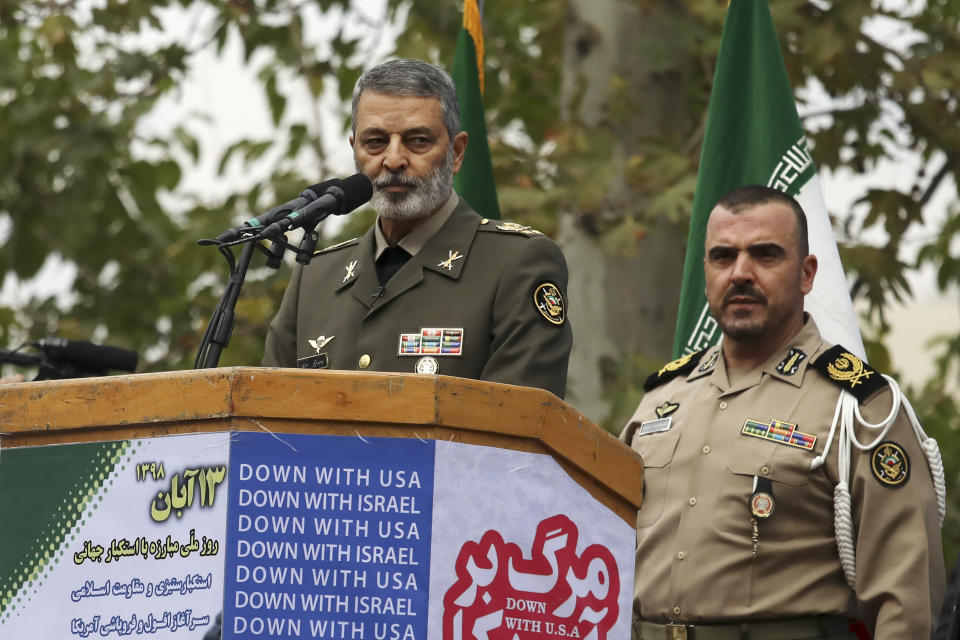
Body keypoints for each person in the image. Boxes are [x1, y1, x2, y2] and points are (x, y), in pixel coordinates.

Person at [621, 185, 945, 639]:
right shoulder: (662, 397)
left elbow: (905, 603)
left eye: (765, 254)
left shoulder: (859, 410)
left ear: (807, 273)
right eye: (722, 256)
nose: (740, 273)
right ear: (705, 271)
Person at [263, 58, 572, 397]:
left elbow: (517, 431)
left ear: (456, 153)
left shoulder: (516, 263)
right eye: (376, 142)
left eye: (418, 140)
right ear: (355, 151)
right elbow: (265, 417)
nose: (393, 160)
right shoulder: (315, 277)